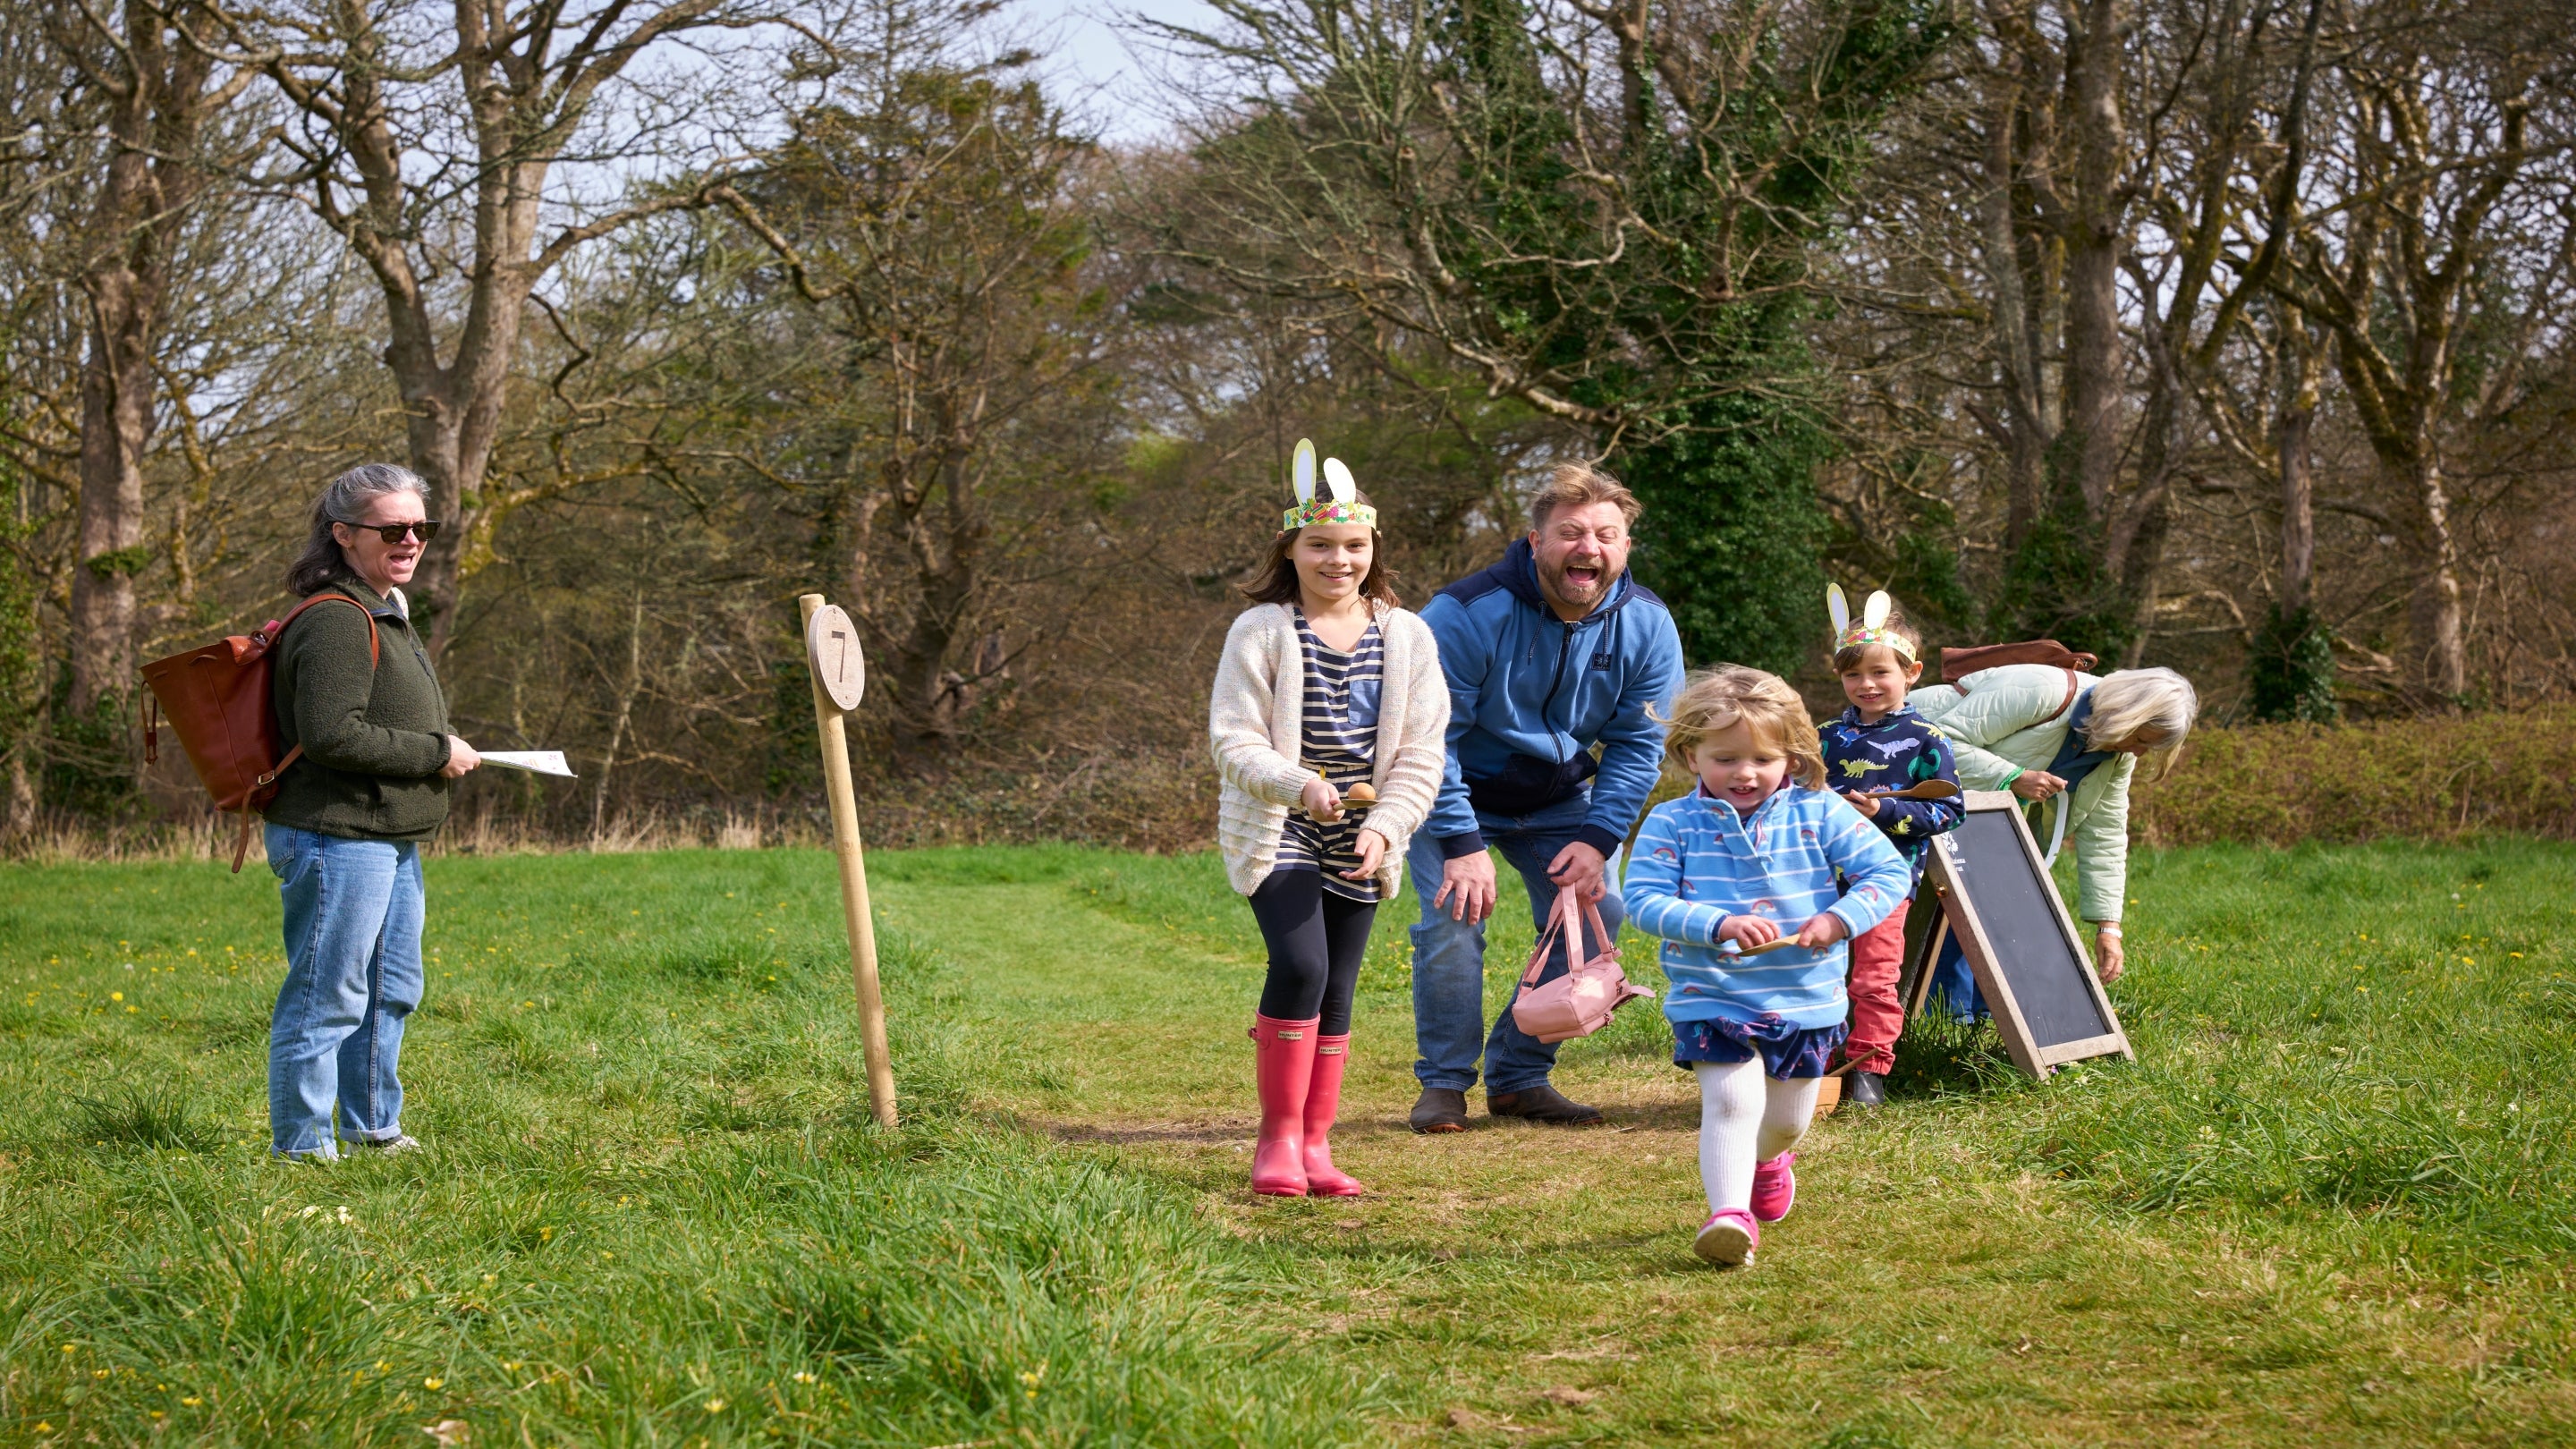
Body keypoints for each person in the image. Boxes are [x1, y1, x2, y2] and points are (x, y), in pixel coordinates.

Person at [1406, 464, 1686, 1133]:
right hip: (1453, 794)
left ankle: (1519, 1075)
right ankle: (1444, 1084)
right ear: (1535, 541)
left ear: (1624, 548)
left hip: (1559, 796)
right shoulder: (1463, 614)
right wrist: (1461, 844)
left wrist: (1597, 840)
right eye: (1570, 532)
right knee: (1452, 927)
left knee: (1602, 913)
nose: (1588, 547)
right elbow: (1427, 738)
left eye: (1606, 534)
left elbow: (1637, 746)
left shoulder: (1647, 626)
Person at [1210, 442, 1450, 1196]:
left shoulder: (1407, 635)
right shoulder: (1261, 630)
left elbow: (1421, 751)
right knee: (1302, 965)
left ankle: (1317, 1145)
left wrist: (1391, 825)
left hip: (1365, 832)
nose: (1337, 559)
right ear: (1291, 549)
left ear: (1373, 549)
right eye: (1320, 545)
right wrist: (1300, 785)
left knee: (1339, 986)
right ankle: (1275, 1143)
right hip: (1280, 822)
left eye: (1353, 545)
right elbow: (1234, 739)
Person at [1623, 666, 1911, 1267]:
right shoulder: (1671, 822)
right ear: (1690, 753)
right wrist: (1717, 925)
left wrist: (1837, 920)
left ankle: (1771, 1160)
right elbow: (1644, 901)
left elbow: (1888, 874)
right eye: (1724, 758)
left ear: (1793, 756)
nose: (1744, 773)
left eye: (1761, 758)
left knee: (1784, 1121)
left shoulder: (1820, 810)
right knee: (1731, 1103)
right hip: (1714, 992)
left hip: (1806, 997)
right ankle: (1729, 1216)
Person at [264, 463, 481, 1160]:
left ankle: (371, 1130)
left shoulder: (386, 608)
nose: (411, 539)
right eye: (393, 528)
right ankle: (302, 1151)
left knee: (389, 991)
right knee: (327, 1000)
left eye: (422, 527)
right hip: (335, 837)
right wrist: (432, 751)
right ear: (343, 535)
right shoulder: (335, 618)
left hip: (387, 836)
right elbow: (330, 733)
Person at [1910, 662, 2199, 998]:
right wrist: (2013, 776)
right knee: (1955, 908)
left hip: (1981, 820)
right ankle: (1946, 1020)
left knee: (1998, 902)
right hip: (1903, 781)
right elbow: (1939, 741)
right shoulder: (2040, 689)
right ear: (2126, 714)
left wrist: (2109, 927)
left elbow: (2105, 834)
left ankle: (1983, 1020)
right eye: (2140, 739)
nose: (2138, 751)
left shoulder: (2119, 754)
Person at [1815, 588, 1962, 1107]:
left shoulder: (1926, 738)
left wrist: (1883, 812)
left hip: (1886, 879)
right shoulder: (1823, 737)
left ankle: (1868, 1069)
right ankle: (1817, 1060)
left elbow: (1948, 810)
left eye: (1881, 673)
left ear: (1912, 673)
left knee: (1875, 976)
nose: (1867, 684)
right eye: (1853, 674)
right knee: (1821, 972)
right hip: (1817, 881)